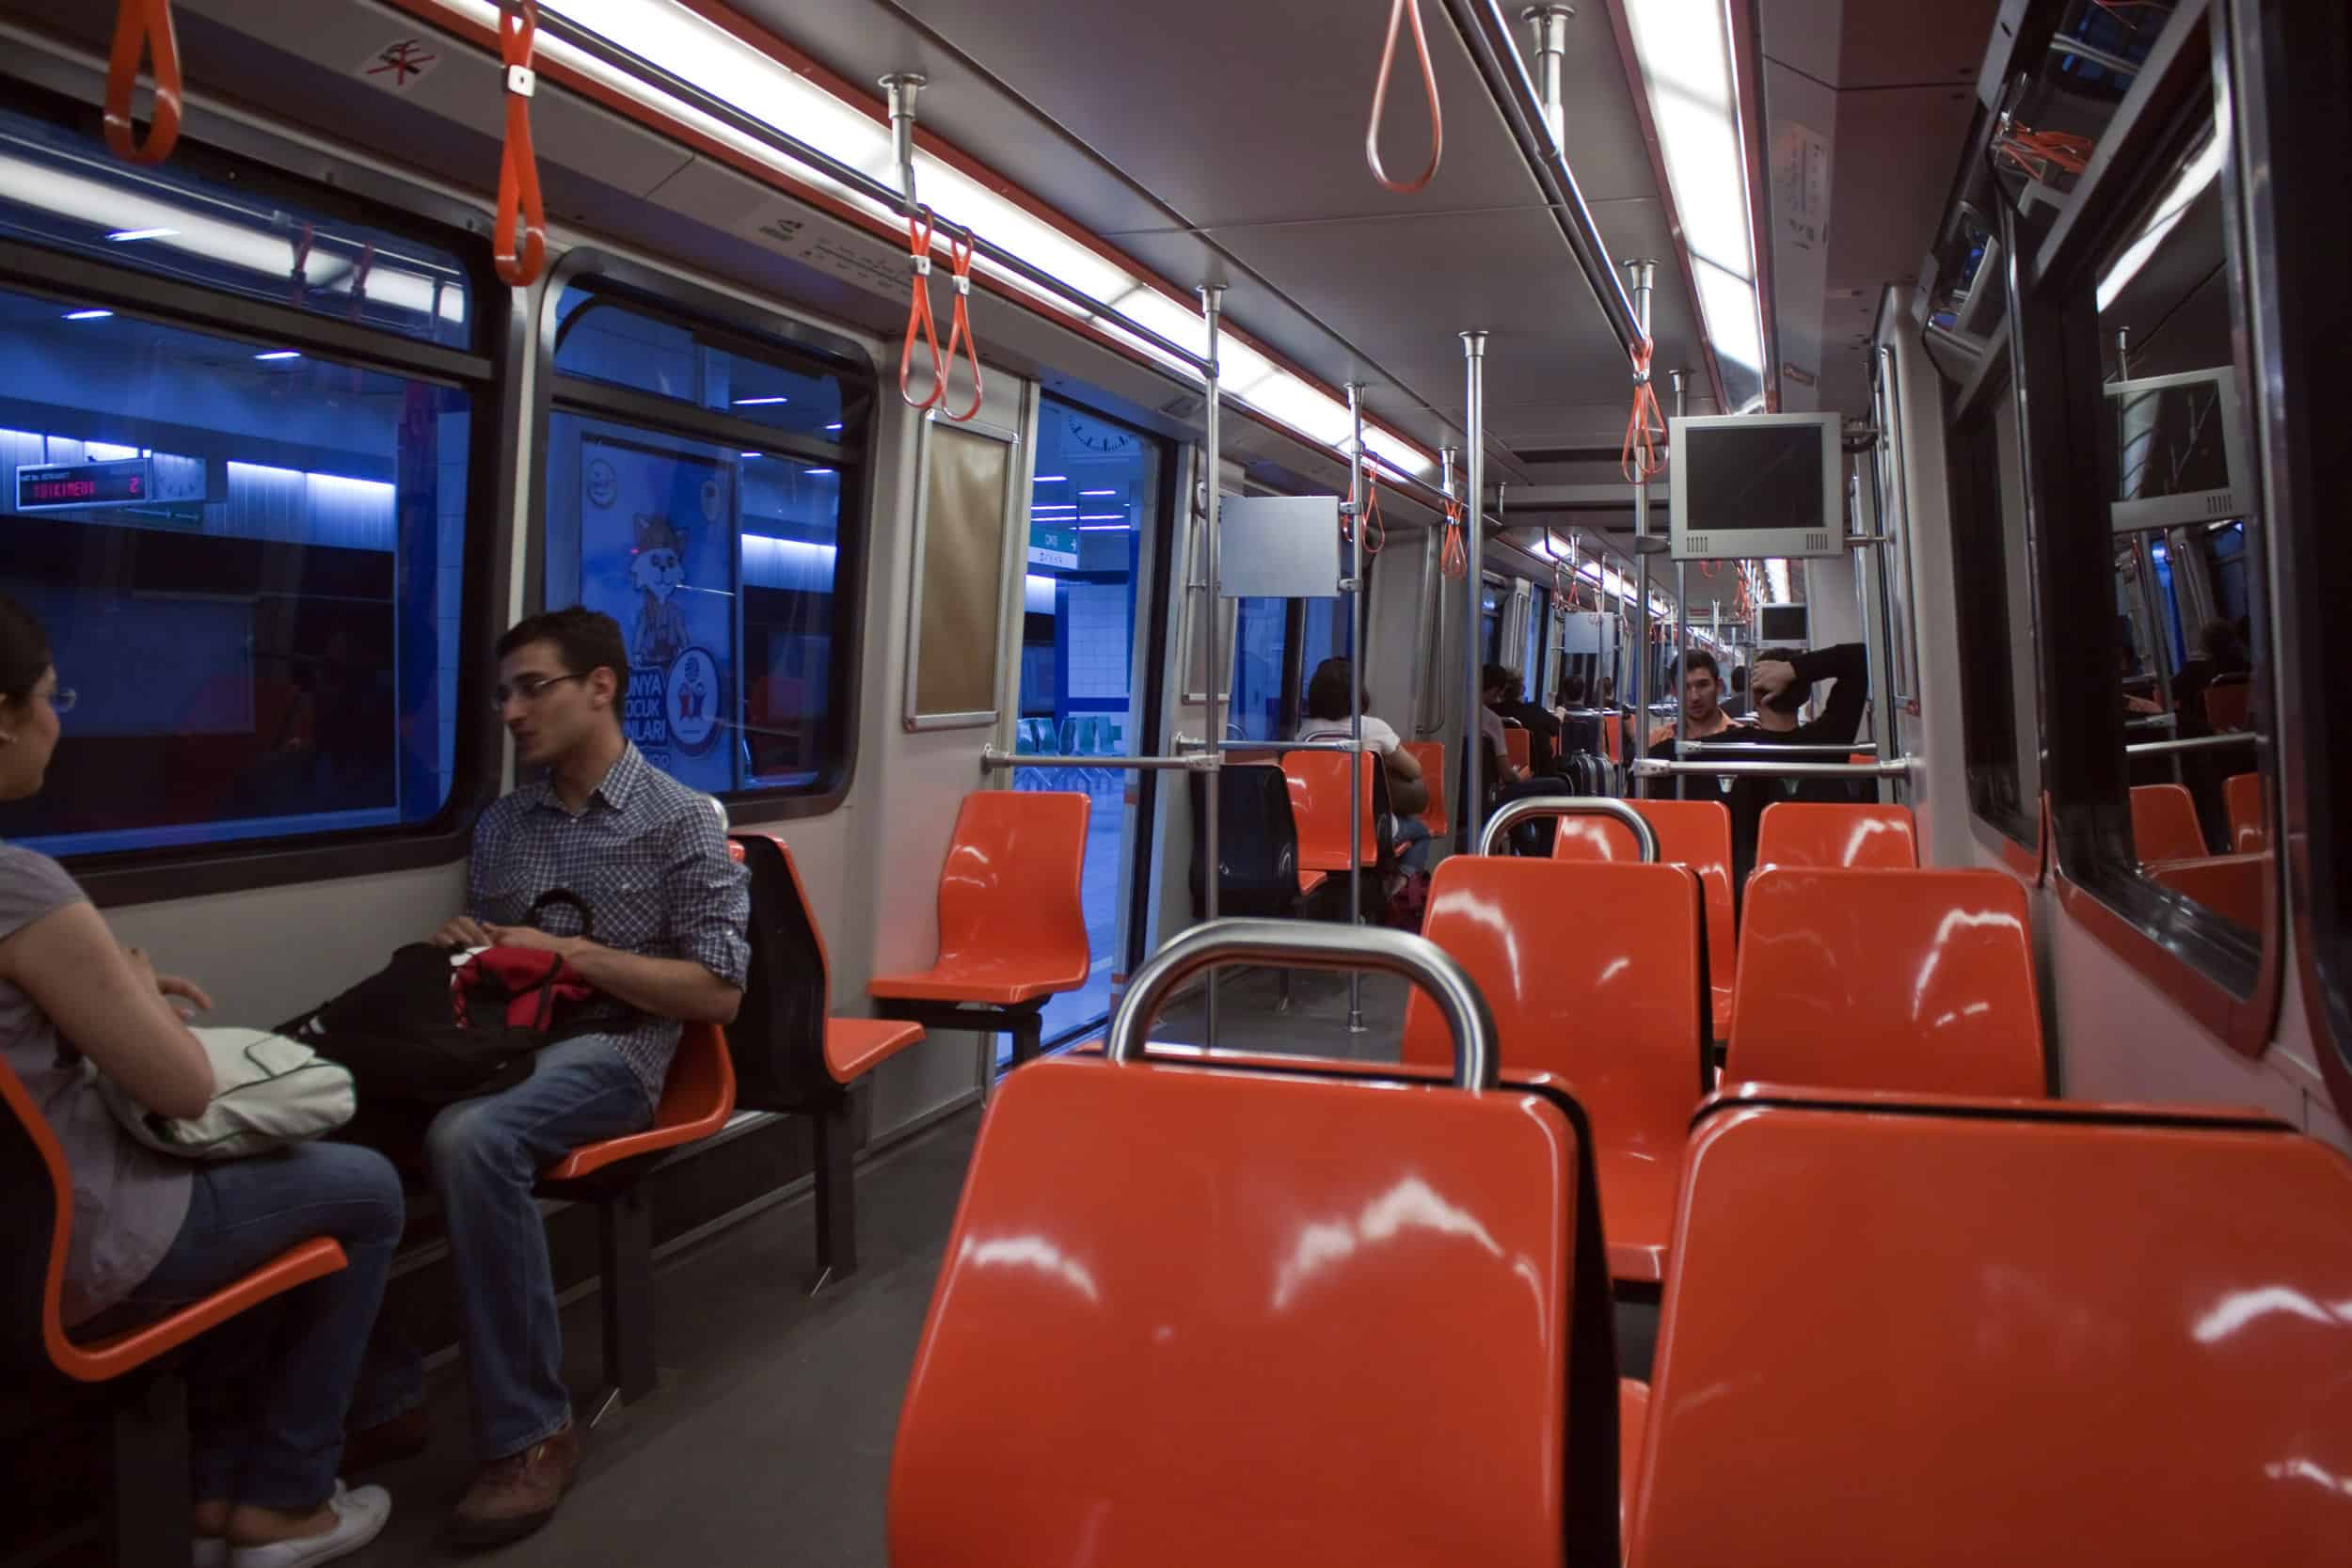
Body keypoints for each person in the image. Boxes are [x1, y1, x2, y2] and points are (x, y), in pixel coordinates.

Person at [0, 593, 404, 1568]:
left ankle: (217, 1477)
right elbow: (179, 1085)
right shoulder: (22, 886)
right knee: (363, 1188)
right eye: (52, 696)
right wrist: (128, 994)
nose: (62, 718)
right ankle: (282, 1497)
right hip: (70, 1247)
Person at [355, 607, 750, 1545]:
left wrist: (568, 953)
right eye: (504, 693)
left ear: (600, 687)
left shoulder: (682, 820)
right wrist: (474, 944)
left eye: (533, 687)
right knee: (349, 1115)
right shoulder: (502, 825)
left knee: (472, 1136)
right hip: (502, 1038)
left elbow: (716, 991)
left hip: (620, 1049)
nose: (511, 711)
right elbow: (500, 960)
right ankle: (382, 1393)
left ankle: (533, 1431)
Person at [1296, 657, 1432, 868]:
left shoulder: (1306, 733)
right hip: (1369, 828)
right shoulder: (1372, 728)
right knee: (1421, 832)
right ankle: (1400, 883)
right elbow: (1414, 770)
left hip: (1316, 827)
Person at [1642, 650, 1749, 800]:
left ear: (1718, 686)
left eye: (1703, 685)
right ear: (1674, 692)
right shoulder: (1656, 741)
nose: (1694, 697)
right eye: (1685, 688)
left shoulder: (1744, 741)